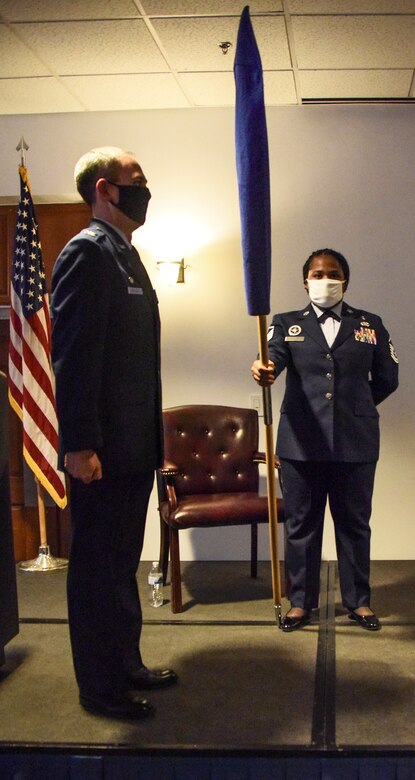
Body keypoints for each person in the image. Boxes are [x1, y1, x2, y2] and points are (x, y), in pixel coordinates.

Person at [51, 147, 177, 720]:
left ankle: (124, 662)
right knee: (98, 570)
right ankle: (99, 688)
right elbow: (74, 358)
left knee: (121, 562)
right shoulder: (88, 254)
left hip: (130, 447)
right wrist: (79, 443)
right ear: (105, 188)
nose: (145, 189)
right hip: (99, 450)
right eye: (137, 181)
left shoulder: (125, 255)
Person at [251, 249, 399, 632]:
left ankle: (359, 601)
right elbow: (272, 359)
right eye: (317, 274)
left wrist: (355, 406)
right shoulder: (286, 323)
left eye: (332, 273)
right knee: (302, 525)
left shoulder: (370, 323)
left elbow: (388, 377)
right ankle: (301, 602)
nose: (325, 280)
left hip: (356, 440)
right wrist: (263, 368)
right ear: (305, 281)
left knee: (354, 524)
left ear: (345, 280)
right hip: (301, 442)